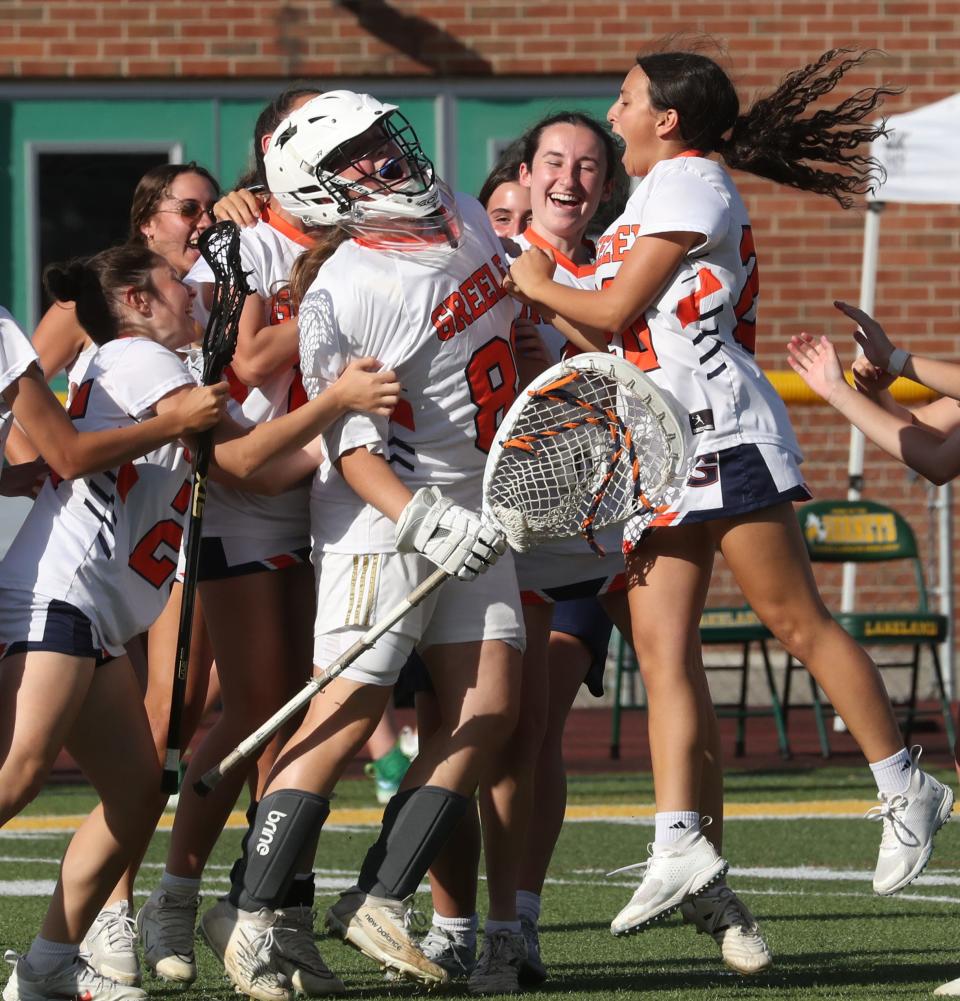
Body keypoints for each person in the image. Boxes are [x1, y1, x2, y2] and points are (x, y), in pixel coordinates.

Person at [503, 46, 953, 942]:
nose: (613, 109)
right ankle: (680, 840)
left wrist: (524, 273)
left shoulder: (689, 182)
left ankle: (907, 781)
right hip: (659, 443)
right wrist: (525, 278)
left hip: (721, 431)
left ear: (666, 119)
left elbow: (604, 307)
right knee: (661, 645)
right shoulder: (654, 197)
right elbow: (599, 321)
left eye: (625, 97)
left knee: (796, 620)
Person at [190, 88, 523, 998]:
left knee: (488, 708)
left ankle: (378, 894)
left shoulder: (455, 206)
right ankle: (249, 908)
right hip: (388, 517)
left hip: (477, 503)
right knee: (341, 715)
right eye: (360, 154)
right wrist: (423, 519)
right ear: (321, 192)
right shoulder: (346, 289)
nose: (389, 156)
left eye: (384, 137)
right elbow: (354, 447)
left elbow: (508, 331)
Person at [0, 244, 398, 1001]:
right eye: (175, 284)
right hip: (59, 594)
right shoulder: (143, 359)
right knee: (18, 771)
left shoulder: (144, 365)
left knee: (136, 792)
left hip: (95, 610)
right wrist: (337, 402)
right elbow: (245, 460)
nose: (193, 293)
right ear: (135, 300)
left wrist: (339, 435)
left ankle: (49, 964)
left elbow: (259, 461)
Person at [136, 86, 354, 998]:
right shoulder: (242, 236)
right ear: (273, 147)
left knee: (303, 708)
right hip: (252, 487)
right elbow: (254, 363)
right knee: (255, 706)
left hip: (334, 486)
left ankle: (266, 908)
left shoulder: (361, 227)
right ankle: (178, 896)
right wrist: (370, 297)